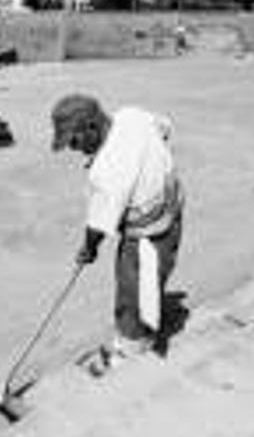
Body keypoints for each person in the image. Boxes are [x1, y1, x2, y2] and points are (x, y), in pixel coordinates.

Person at [51, 93, 184, 376]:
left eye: (73, 140)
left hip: (148, 231)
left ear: (91, 128)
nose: (73, 148)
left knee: (130, 289)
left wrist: (89, 249)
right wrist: (148, 164)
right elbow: (164, 128)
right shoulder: (130, 115)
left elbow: (99, 224)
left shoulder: (106, 170)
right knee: (154, 278)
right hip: (173, 210)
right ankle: (146, 325)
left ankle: (130, 348)